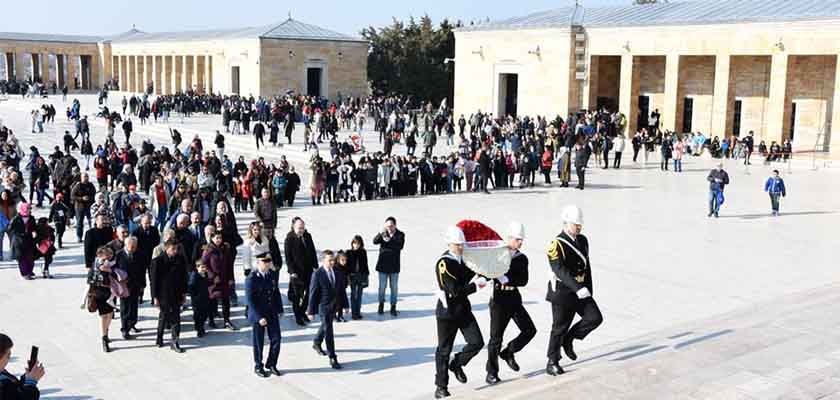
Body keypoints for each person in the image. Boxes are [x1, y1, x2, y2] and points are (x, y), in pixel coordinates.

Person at [545, 205, 603, 376]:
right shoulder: (556, 244)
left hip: (581, 290)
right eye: (575, 224)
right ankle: (552, 361)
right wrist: (577, 288)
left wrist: (588, 289)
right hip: (563, 292)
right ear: (566, 223)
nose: (578, 227)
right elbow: (559, 269)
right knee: (559, 327)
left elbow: (587, 266)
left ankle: (569, 339)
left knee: (595, 318)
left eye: (580, 224)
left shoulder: (583, 240)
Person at [434, 226, 487, 399]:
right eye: (457, 244)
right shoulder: (444, 263)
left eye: (461, 244)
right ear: (449, 243)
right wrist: (475, 286)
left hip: (463, 310)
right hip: (448, 312)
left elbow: (474, 271)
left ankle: (457, 364)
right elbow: (454, 290)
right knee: (444, 350)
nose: (460, 247)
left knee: (477, 342)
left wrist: (487, 271)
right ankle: (441, 386)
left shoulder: (463, 260)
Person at [485, 222, 537, 385]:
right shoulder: (497, 254)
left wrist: (508, 279)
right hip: (499, 301)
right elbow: (486, 271)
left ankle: (508, 352)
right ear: (509, 238)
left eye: (521, 239)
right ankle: (492, 372)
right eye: (517, 239)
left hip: (513, 299)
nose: (520, 242)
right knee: (495, 339)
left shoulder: (521, 258)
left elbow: (524, 280)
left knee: (529, 330)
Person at [307, 250, 349, 370]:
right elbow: (313, 293)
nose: (331, 262)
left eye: (333, 260)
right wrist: (310, 311)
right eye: (329, 260)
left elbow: (341, 290)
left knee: (326, 326)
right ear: (323, 260)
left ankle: (316, 342)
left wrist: (346, 305)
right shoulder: (317, 274)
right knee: (329, 331)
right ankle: (332, 357)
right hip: (323, 307)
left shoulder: (337, 272)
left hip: (334, 306)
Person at [246, 253, 284, 378]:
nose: (267, 263)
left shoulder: (271, 275)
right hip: (259, 314)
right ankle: (258, 365)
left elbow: (276, 292)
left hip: (271, 312)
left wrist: (280, 309)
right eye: (264, 261)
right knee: (259, 341)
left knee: (276, 339)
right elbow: (250, 300)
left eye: (268, 261)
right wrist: (259, 317)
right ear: (258, 263)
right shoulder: (252, 278)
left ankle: (271, 364)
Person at [150, 240, 188, 353]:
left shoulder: (180, 259)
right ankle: (159, 337)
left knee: (176, 317)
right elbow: (154, 281)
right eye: (173, 249)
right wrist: (155, 297)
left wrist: (184, 293)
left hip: (176, 293)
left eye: (176, 249)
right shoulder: (157, 261)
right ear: (166, 249)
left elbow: (183, 277)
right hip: (163, 294)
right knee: (164, 316)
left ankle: (175, 341)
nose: (175, 251)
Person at [285, 217, 318, 326]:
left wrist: (316, 266)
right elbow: (288, 257)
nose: (301, 230)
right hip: (296, 272)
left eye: (303, 227)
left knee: (310, 292)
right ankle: (297, 316)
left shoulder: (308, 236)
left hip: (308, 270)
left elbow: (312, 251)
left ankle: (302, 311)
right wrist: (292, 271)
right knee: (296, 296)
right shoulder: (289, 239)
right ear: (294, 227)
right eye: (299, 228)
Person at [87, 246, 121, 353]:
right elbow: (89, 278)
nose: (106, 259)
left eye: (108, 257)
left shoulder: (110, 264)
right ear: (99, 255)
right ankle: (104, 337)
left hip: (109, 292)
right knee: (103, 316)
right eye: (105, 257)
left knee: (110, 314)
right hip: (99, 292)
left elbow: (116, 274)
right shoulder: (95, 265)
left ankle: (106, 330)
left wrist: (110, 270)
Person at [373, 216, 405, 316]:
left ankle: (393, 306)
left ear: (395, 225)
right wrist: (380, 233)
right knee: (382, 287)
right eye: (387, 226)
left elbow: (399, 246)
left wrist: (388, 240)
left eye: (391, 226)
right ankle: (381, 304)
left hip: (394, 266)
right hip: (383, 265)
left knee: (394, 288)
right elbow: (374, 241)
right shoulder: (383, 233)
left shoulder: (400, 234)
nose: (389, 228)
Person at [0, 333, 45, 400]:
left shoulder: (2, 373)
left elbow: (16, 390)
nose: (9, 359)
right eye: (8, 356)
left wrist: (27, 378)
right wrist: (31, 383)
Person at [116, 236, 144, 339]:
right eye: (132, 247)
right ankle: (124, 329)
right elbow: (114, 271)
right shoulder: (119, 255)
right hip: (124, 286)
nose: (134, 249)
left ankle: (132, 324)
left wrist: (142, 285)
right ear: (126, 245)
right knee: (125, 308)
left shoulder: (139, 254)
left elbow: (142, 270)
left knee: (134, 306)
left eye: (135, 246)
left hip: (135, 285)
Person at [9, 203, 37, 280]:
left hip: (29, 240)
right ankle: (25, 274)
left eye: (29, 209)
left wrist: (34, 231)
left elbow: (34, 227)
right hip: (19, 241)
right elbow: (10, 228)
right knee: (21, 258)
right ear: (23, 209)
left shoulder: (31, 218)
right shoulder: (16, 218)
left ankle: (29, 271)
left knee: (30, 258)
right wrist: (17, 234)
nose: (29, 210)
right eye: (28, 209)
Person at [345, 235, 369, 320]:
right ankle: (354, 313)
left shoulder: (363, 252)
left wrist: (366, 277)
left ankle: (357, 312)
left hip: (361, 276)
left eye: (358, 243)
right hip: (352, 276)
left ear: (361, 244)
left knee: (359, 295)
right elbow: (346, 266)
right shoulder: (348, 252)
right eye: (355, 243)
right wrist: (347, 277)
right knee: (353, 295)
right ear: (352, 243)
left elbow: (366, 265)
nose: (356, 245)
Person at [188, 260, 211, 337]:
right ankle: (199, 329)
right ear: (197, 268)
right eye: (202, 267)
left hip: (205, 298)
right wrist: (194, 296)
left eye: (205, 267)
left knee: (205, 314)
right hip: (197, 300)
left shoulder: (205, 275)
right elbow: (190, 287)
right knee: (198, 315)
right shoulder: (194, 275)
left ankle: (201, 327)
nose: (204, 269)